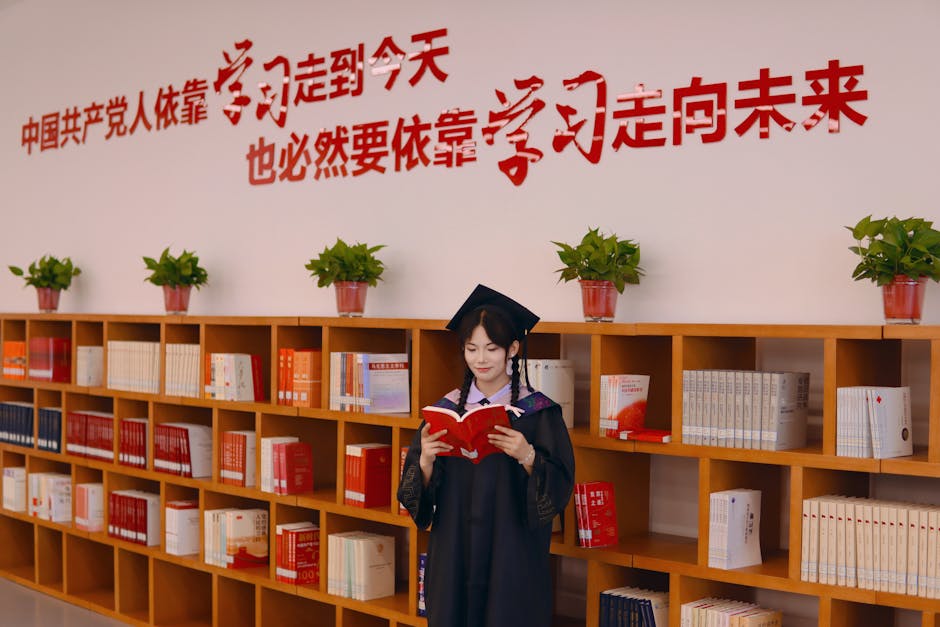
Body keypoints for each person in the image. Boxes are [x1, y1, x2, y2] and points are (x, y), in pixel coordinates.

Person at [397, 284, 575, 627]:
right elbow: (414, 497)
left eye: (492, 348)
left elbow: (560, 486)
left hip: (511, 552)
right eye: (472, 348)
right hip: (454, 550)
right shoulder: (445, 411)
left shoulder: (538, 413)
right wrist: (426, 461)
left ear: (513, 349)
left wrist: (528, 455)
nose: (480, 359)